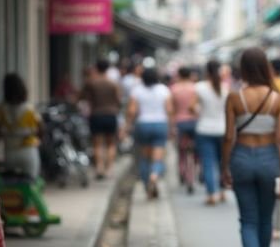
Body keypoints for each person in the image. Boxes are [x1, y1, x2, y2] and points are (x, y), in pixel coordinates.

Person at [222, 48, 280, 247]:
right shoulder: (278, 99)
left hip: (241, 157)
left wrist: (224, 167)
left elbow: (229, 136)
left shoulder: (234, 98)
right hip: (268, 158)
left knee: (247, 219)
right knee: (265, 219)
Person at [126, 67, 172, 199]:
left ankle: (147, 186)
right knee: (158, 157)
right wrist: (172, 126)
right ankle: (155, 175)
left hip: (143, 124)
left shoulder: (137, 90)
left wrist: (128, 125)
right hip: (160, 124)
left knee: (145, 158)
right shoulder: (163, 89)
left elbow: (132, 111)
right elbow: (169, 110)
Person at [0, 73, 44, 180]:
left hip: (9, 153)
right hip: (28, 151)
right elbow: (41, 128)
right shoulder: (30, 109)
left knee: (10, 189)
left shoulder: (1, 109)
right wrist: (38, 140)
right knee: (30, 187)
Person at [80, 60, 122, 180]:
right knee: (111, 144)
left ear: (96, 68)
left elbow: (82, 96)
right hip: (111, 115)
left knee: (97, 144)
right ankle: (109, 169)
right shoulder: (113, 84)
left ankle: (99, 168)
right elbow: (118, 101)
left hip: (96, 114)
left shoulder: (92, 83)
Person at [194, 60, 229, 205]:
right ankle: (222, 191)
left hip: (204, 128)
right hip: (223, 129)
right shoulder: (225, 87)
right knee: (222, 162)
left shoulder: (199, 87)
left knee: (208, 163)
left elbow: (193, 107)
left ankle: (211, 194)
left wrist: (199, 111)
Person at [171, 67, 199, 186]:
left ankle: (182, 170)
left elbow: (172, 109)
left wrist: (171, 126)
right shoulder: (195, 88)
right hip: (194, 122)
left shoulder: (174, 89)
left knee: (181, 150)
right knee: (195, 150)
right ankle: (193, 172)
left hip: (179, 122)